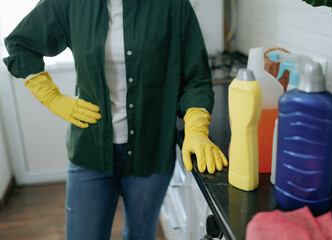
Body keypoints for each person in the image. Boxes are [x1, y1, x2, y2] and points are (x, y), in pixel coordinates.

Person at [3, 0, 228, 239]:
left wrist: (196, 128)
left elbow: (196, 78)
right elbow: (20, 44)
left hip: (151, 152)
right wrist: (52, 98)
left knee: (139, 236)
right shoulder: (69, 4)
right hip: (90, 152)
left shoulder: (173, 6)